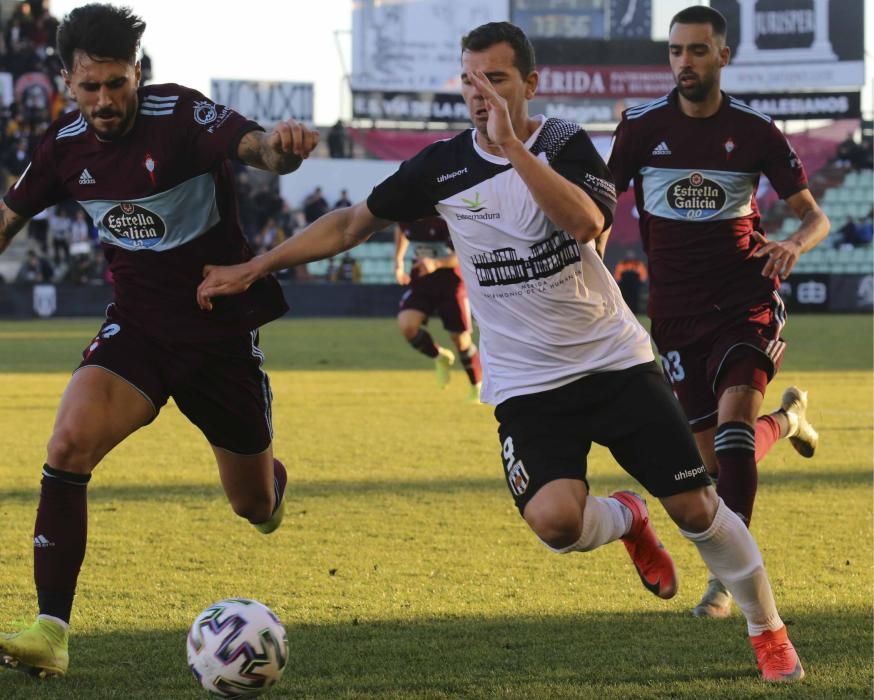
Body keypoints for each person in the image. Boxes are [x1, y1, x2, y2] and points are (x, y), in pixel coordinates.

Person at [198, 21, 805, 683]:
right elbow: (351, 223)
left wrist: (513, 149)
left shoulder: (567, 146)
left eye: (495, 78)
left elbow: (586, 223)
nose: (479, 93)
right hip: (527, 385)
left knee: (695, 508)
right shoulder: (442, 165)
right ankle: (627, 516)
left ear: (529, 84)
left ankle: (765, 628)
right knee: (555, 522)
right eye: (469, 80)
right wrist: (254, 267)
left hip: (612, 362)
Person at [0, 3, 319, 678]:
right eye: (90, 87)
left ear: (136, 74)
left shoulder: (179, 115)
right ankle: (51, 631)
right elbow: (7, 218)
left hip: (220, 331)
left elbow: (257, 149)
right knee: (66, 444)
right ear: (67, 83)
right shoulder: (62, 147)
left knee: (252, 504)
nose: (106, 99)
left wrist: (282, 150)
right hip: (138, 331)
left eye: (117, 83)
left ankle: (271, 484)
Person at [606, 6, 828, 619]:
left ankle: (728, 581)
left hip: (744, 299)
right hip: (674, 314)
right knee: (711, 465)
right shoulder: (642, 128)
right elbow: (598, 206)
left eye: (698, 51)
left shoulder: (756, 131)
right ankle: (786, 423)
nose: (685, 62)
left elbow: (815, 216)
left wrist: (791, 244)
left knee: (730, 433)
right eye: (676, 51)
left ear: (722, 56)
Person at [394, 216, 482, 400]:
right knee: (407, 325)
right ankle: (439, 357)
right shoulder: (404, 213)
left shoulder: (444, 220)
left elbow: (465, 254)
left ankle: (476, 386)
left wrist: (436, 263)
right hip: (422, 280)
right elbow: (401, 229)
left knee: (460, 340)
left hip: (451, 283)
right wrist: (399, 260)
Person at [612, 248, 648, 314]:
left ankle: (634, 313)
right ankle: (625, 312)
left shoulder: (638, 264)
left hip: (635, 287)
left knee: (634, 300)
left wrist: (640, 282)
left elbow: (643, 275)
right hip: (624, 286)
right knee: (625, 300)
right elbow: (617, 275)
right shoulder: (621, 264)